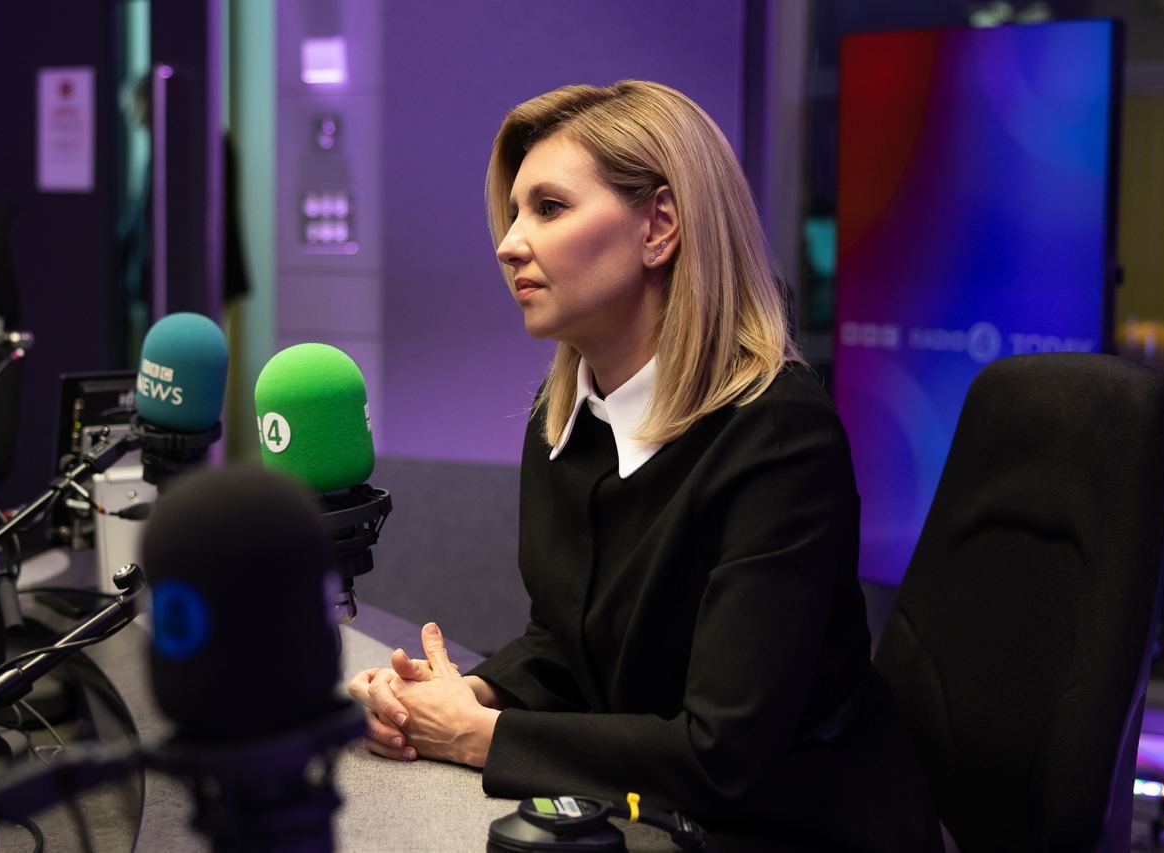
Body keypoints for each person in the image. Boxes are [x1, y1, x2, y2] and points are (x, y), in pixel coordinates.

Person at [348, 80, 940, 851]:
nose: (509, 243)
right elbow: (567, 646)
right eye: (515, 212)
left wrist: (479, 735)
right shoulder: (562, 416)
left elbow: (723, 755)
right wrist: (464, 693)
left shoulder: (777, 435)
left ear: (660, 226)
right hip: (657, 815)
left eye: (548, 207)